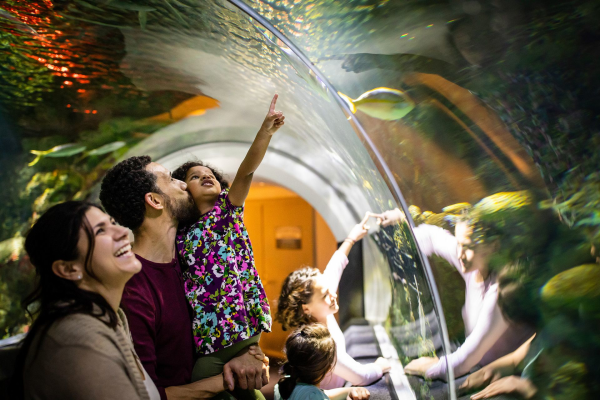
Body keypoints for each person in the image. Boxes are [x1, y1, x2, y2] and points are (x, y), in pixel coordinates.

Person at [100, 159, 268, 397]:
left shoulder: (194, 260)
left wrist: (248, 353)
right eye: (170, 179)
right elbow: (146, 395)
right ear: (155, 201)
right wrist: (228, 377)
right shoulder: (133, 291)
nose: (182, 184)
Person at [170, 95, 283, 390]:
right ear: (184, 191)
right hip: (208, 334)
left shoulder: (225, 211)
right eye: (195, 177)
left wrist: (265, 132)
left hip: (241, 325)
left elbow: (246, 170)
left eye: (209, 174)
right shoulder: (179, 232)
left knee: (205, 384)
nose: (205, 176)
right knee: (230, 389)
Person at [10, 201, 159, 399]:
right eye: (100, 231)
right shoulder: (78, 342)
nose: (122, 232)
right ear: (69, 269)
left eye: (112, 222)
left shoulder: (110, 316)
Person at [370, 208, 533, 381]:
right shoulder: (473, 262)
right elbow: (431, 237)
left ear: (494, 246)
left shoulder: (501, 290)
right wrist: (400, 223)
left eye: (468, 246)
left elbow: (465, 360)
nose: (459, 253)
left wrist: (431, 367)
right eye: (459, 243)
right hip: (476, 366)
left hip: (504, 378)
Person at [276, 215, 392, 389]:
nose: (333, 294)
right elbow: (361, 377)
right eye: (325, 295)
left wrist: (352, 237)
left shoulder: (321, 303)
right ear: (306, 308)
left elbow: (336, 265)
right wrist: (380, 366)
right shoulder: (320, 345)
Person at [274, 324, 371, 400]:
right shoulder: (312, 396)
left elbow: (323, 393)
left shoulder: (283, 385)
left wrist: (351, 390)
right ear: (329, 368)